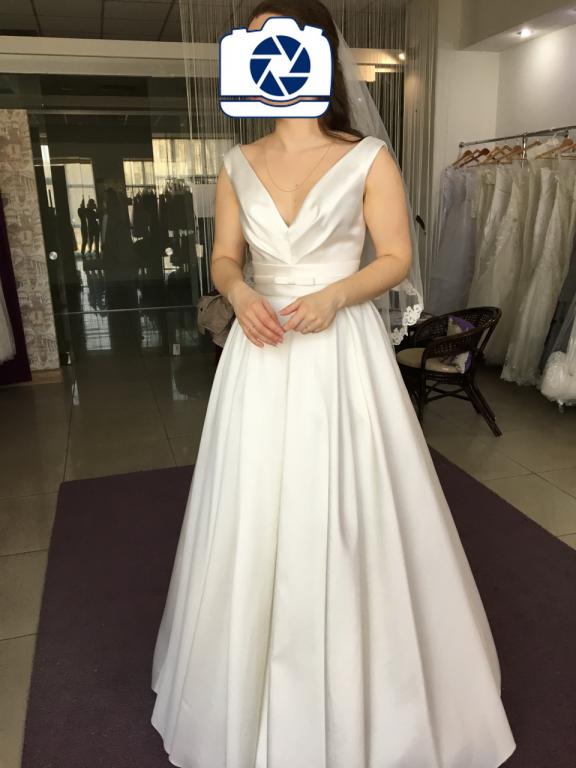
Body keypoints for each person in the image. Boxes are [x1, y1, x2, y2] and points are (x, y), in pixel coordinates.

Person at [150, 2, 517, 766]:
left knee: (349, 500)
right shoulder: (236, 163)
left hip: (337, 348)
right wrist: (240, 293)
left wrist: (335, 296)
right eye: (255, 48)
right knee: (253, 503)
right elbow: (225, 257)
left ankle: (371, 687)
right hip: (261, 349)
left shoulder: (367, 157)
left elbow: (396, 257)